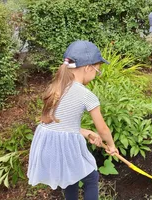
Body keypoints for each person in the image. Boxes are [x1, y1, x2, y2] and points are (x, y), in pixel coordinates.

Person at [27, 40, 119, 200]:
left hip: (47, 143)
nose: (97, 74)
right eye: (98, 70)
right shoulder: (86, 95)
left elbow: (58, 123)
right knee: (91, 177)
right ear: (88, 67)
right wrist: (111, 146)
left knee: (70, 176)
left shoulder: (57, 86)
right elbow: (103, 129)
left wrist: (85, 132)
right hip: (65, 146)